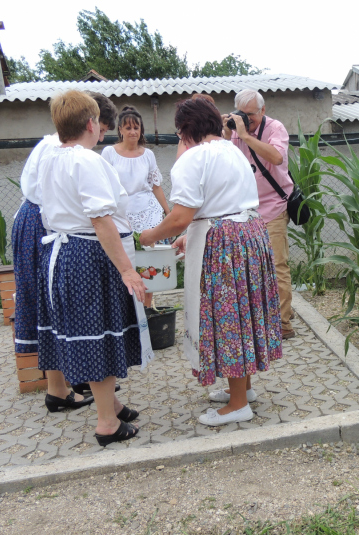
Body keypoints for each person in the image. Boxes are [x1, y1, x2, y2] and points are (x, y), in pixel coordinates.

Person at [139, 97, 282, 426]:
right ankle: (243, 390)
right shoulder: (232, 149)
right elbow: (219, 203)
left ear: (185, 130)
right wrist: (190, 234)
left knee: (228, 316)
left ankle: (237, 405)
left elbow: (180, 216)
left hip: (224, 243)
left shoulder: (194, 158)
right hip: (249, 233)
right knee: (245, 312)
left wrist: (149, 236)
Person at [37, 90, 153, 446]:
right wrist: (127, 270)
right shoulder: (83, 161)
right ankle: (106, 423)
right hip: (88, 255)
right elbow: (100, 220)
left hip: (63, 253)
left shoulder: (52, 156)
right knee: (99, 335)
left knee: (93, 332)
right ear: (90, 123)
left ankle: (111, 405)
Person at [12, 91, 118, 410]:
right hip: (42, 224)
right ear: (91, 123)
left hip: (43, 221)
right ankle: (61, 386)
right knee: (55, 307)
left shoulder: (58, 147)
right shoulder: (62, 151)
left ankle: (61, 388)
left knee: (56, 308)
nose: (100, 139)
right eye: (102, 130)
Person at [222, 89, 295, 339]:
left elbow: (275, 156)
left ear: (263, 111)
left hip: (273, 207)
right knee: (253, 268)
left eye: (251, 114)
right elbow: (226, 160)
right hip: (246, 211)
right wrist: (225, 133)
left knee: (276, 265)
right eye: (242, 114)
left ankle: (284, 323)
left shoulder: (275, 128)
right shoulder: (235, 132)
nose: (247, 119)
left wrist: (245, 135)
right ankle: (264, 315)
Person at [101, 105, 170, 309]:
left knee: (148, 262)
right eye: (128, 128)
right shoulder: (108, 152)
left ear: (141, 130)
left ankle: (147, 308)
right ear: (120, 130)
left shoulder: (148, 154)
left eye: (136, 128)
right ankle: (126, 308)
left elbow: (155, 186)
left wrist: (167, 212)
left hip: (148, 212)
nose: (132, 132)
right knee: (125, 261)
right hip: (121, 214)